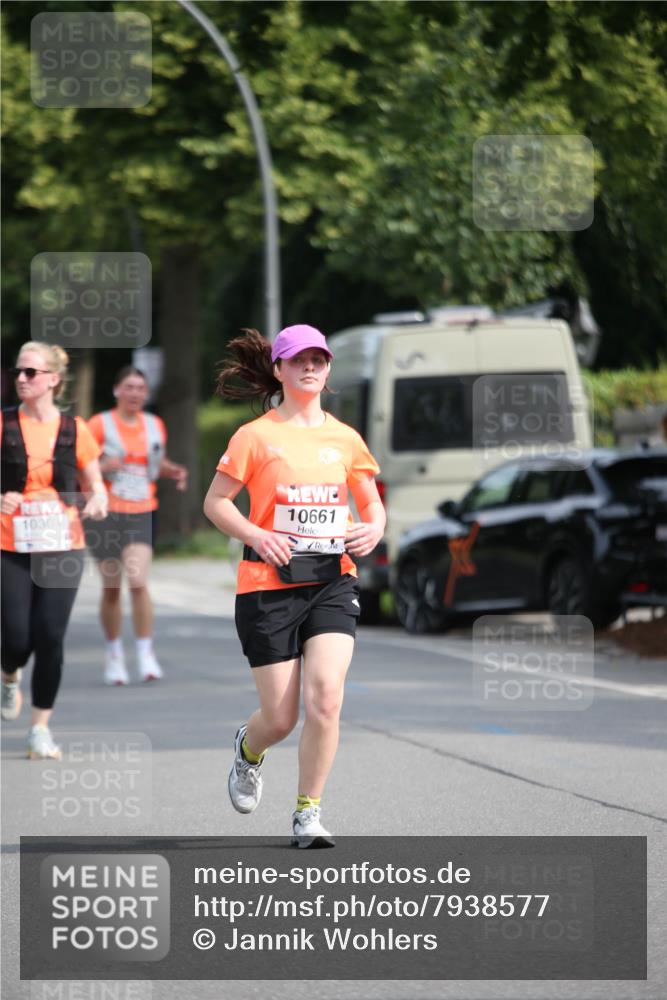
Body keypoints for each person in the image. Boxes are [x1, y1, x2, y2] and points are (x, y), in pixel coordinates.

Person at [204, 325, 385, 848]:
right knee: (280, 719)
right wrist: (257, 535)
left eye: (319, 360)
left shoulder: (346, 438)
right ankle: (249, 749)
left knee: (326, 699)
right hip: (267, 585)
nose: (311, 366)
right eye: (299, 359)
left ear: (328, 371)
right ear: (279, 369)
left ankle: (308, 812)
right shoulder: (254, 436)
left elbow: (370, 504)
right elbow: (215, 503)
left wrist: (374, 527)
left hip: (332, 581)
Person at [0, 342, 107, 758]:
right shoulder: (4, 423)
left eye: (30, 372)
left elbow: (94, 481)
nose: (21, 379)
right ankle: (10, 675)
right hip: (10, 543)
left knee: (50, 636)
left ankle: (40, 728)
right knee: (15, 637)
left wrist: (98, 498)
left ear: (53, 380)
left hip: (62, 544)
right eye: (18, 372)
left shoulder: (74, 429)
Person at [86, 366, 188, 685]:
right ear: (116, 390)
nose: (135, 394)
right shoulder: (99, 425)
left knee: (139, 580)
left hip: (142, 510)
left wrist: (175, 472)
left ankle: (146, 652)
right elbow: (81, 467)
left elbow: (155, 466)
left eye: (140, 388)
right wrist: (104, 466)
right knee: (113, 588)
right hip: (106, 513)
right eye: (129, 387)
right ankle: (114, 652)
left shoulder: (154, 424)